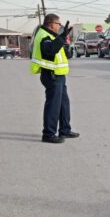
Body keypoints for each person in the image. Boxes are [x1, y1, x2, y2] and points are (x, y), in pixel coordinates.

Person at [31, 14, 79, 144]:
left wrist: (66, 43)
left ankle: (64, 129)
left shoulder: (52, 36)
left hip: (58, 74)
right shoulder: (43, 35)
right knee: (53, 104)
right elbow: (49, 51)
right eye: (58, 24)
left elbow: (63, 53)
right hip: (51, 74)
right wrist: (61, 37)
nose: (59, 27)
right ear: (51, 23)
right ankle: (48, 133)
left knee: (63, 103)